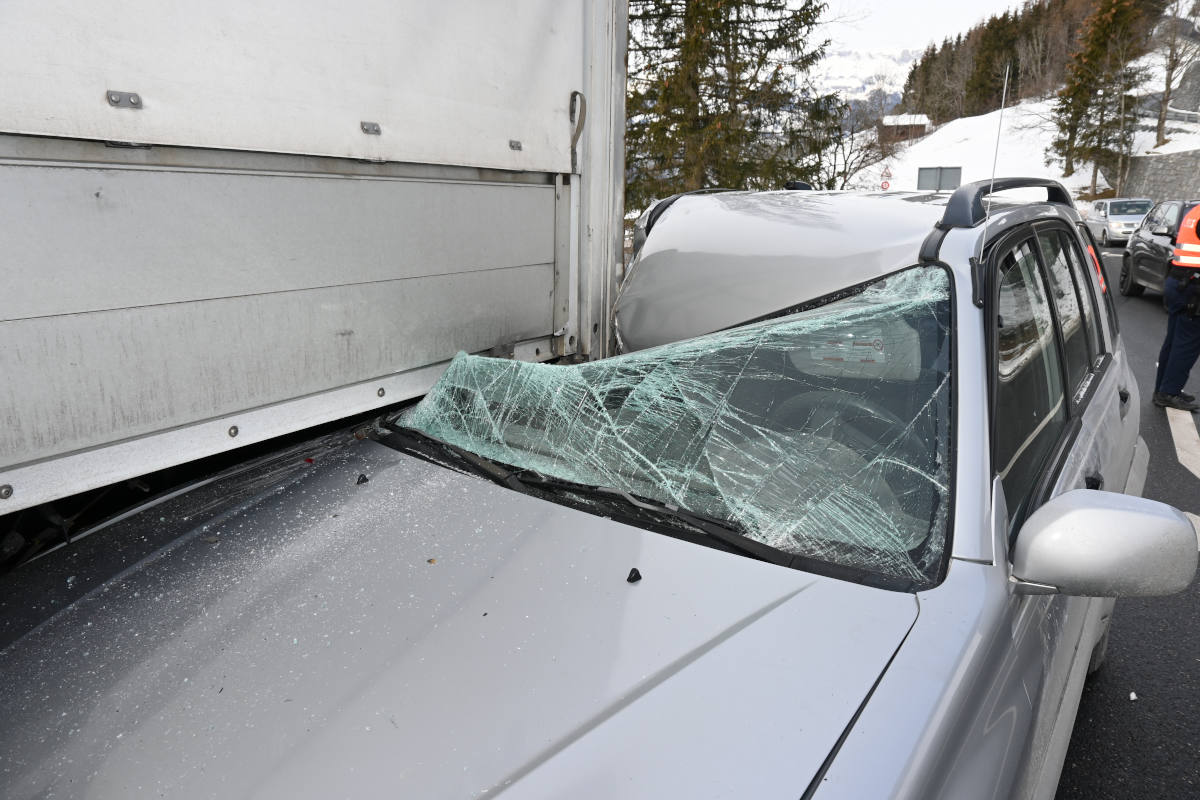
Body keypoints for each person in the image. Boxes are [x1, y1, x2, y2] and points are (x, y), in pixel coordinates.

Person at [1154, 203, 1200, 412]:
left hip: (1180, 282)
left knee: (1174, 341)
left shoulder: (1195, 211)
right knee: (1186, 344)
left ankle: (1163, 388)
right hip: (1192, 287)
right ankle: (1168, 393)